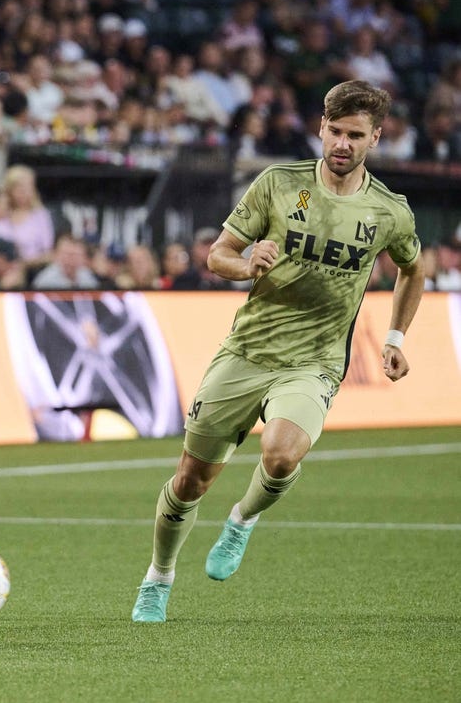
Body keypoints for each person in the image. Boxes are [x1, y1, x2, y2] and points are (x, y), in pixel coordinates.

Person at [131, 80, 425, 623]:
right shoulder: (278, 185)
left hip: (314, 361)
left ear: (375, 139)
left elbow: (412, 270)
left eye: (355, 135)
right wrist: (246, 265)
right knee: (191, 479)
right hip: (247, 350)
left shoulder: (388, 211)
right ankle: (159, 576)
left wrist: (395, 337)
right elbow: (219, 254)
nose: (342, 143)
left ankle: (242, 520)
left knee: (283, 453)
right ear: (321, 128)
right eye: (334, 131)